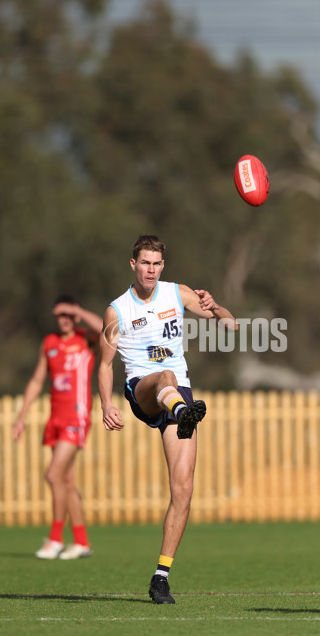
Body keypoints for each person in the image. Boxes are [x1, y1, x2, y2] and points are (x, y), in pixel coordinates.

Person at [98, 234, 237, 604]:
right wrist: (105, 404)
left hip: (180, 395)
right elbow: (104, 365)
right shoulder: (118, 310)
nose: (151, 270)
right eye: (145, 263)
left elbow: (231, 327)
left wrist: (216, 306)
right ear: (133, 264)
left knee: (183, 489)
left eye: (157, 264)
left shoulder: (177, 293)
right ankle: (180, 411)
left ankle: (161, 577)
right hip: (143, 389)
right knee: (165, 376)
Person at [12, 295, 103, 559]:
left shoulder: (86, 340)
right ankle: (82, 542)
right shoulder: (50, 343)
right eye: (59, 316)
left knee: (52, 475)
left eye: (67, 315)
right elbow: (36, 381)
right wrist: (22, 417)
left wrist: (78, 310)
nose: (63, 320)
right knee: (66, 480)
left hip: (78, 417)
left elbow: (106, 329)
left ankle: (55, 539)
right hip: (56, 418)